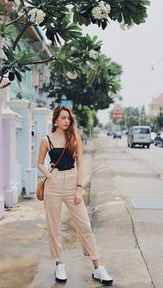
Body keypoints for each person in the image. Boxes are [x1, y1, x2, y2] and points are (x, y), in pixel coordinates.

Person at [37, 106, 113, 286]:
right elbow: (39, 163)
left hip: (72, 183)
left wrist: (79, 188)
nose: (66, 121)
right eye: (63, 118)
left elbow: (80, 164)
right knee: (54, 227)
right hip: (53, 186)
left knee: (85, 226)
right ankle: (59, 263)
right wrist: (48, 175)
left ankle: (97, 267)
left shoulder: (75, 139)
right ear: (55, 120)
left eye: (68, 119)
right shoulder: (46, 140)